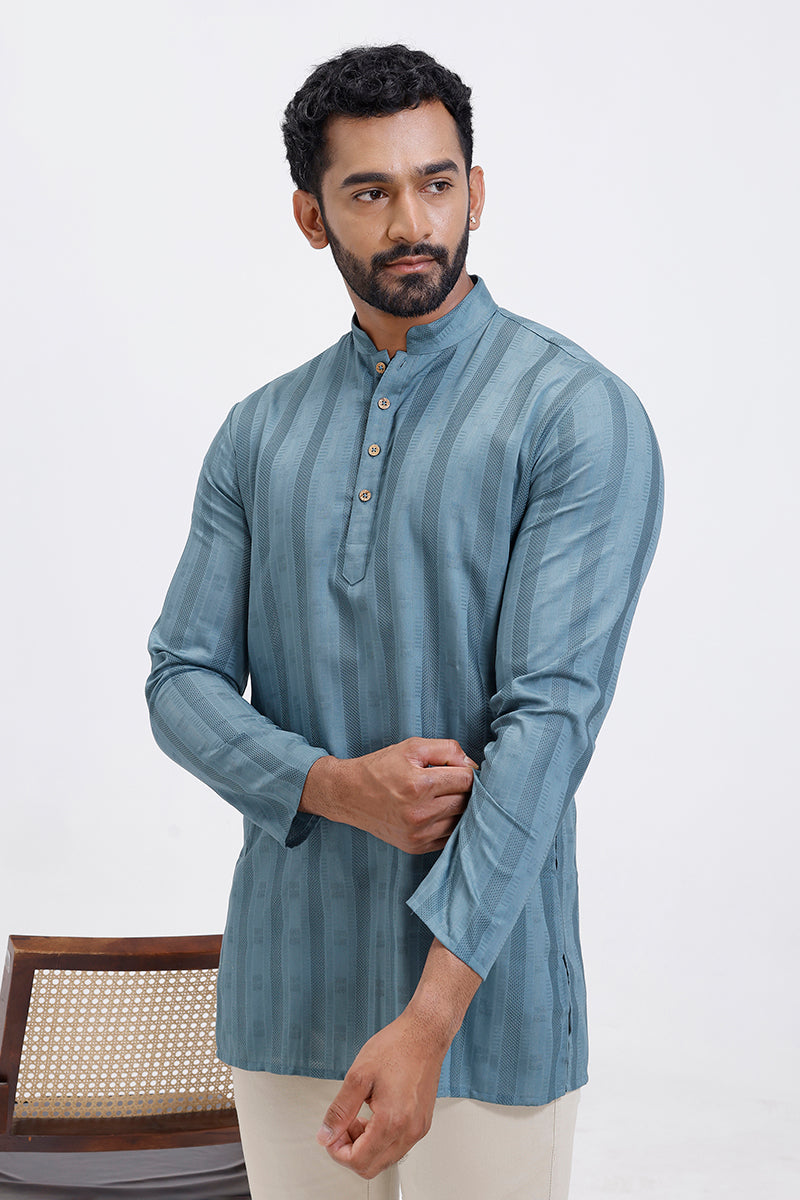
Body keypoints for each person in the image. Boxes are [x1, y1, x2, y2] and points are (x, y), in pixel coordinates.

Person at [146, 43, 663, 1200]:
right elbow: (177, 677)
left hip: (487, 1010)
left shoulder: (575, 416)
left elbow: (545, 728)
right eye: (368, 193)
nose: (409, 221)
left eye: (434, 183)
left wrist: (429, 1020)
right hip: (285, 1005)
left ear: (475, 191)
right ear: (308, 214)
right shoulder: (256, 433)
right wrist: (332, 784)